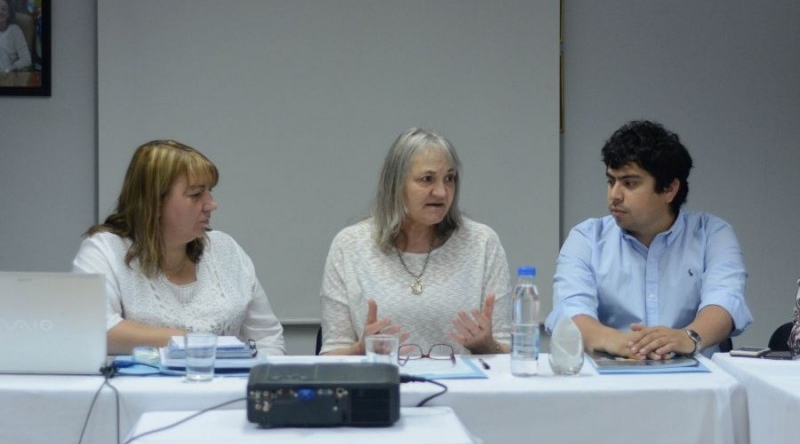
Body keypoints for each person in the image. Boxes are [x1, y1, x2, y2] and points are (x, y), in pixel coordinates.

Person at [545, 120, 752, 359]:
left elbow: (725, 302)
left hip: (695, 380)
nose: (614, 195)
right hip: (609, 379)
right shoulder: (586, 237)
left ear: (669, 189)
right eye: (611, 181)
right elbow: (569, 307)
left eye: (629, 183)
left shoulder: (712, 234)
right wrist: (611, 339)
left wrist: (686, 337)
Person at [72, 140, 285, 356]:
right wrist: (194, 342)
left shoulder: (225, 249)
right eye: (195, 194)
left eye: (209, 192)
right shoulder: (105, 250)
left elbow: (267, 337)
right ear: (153, 202)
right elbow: (97, 330)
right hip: (140, 389)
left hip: (231, 387)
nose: (211, 204)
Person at [319, 127, 512, 356]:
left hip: (463, 389)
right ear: (395, 185)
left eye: (449, 179)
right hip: (383, 388)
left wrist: (489, 346)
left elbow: (508, 350)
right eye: (427, 179)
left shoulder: (482, 242)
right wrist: (361, 349)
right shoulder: (350, 245)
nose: (441, 192)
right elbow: (331, 355)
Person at [0, 0, 32, 73]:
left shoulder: (14, 31)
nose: (0, 12)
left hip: (6, 76)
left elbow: (26, 59)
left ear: (8, 14)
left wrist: (9, 69)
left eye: (3, 9)